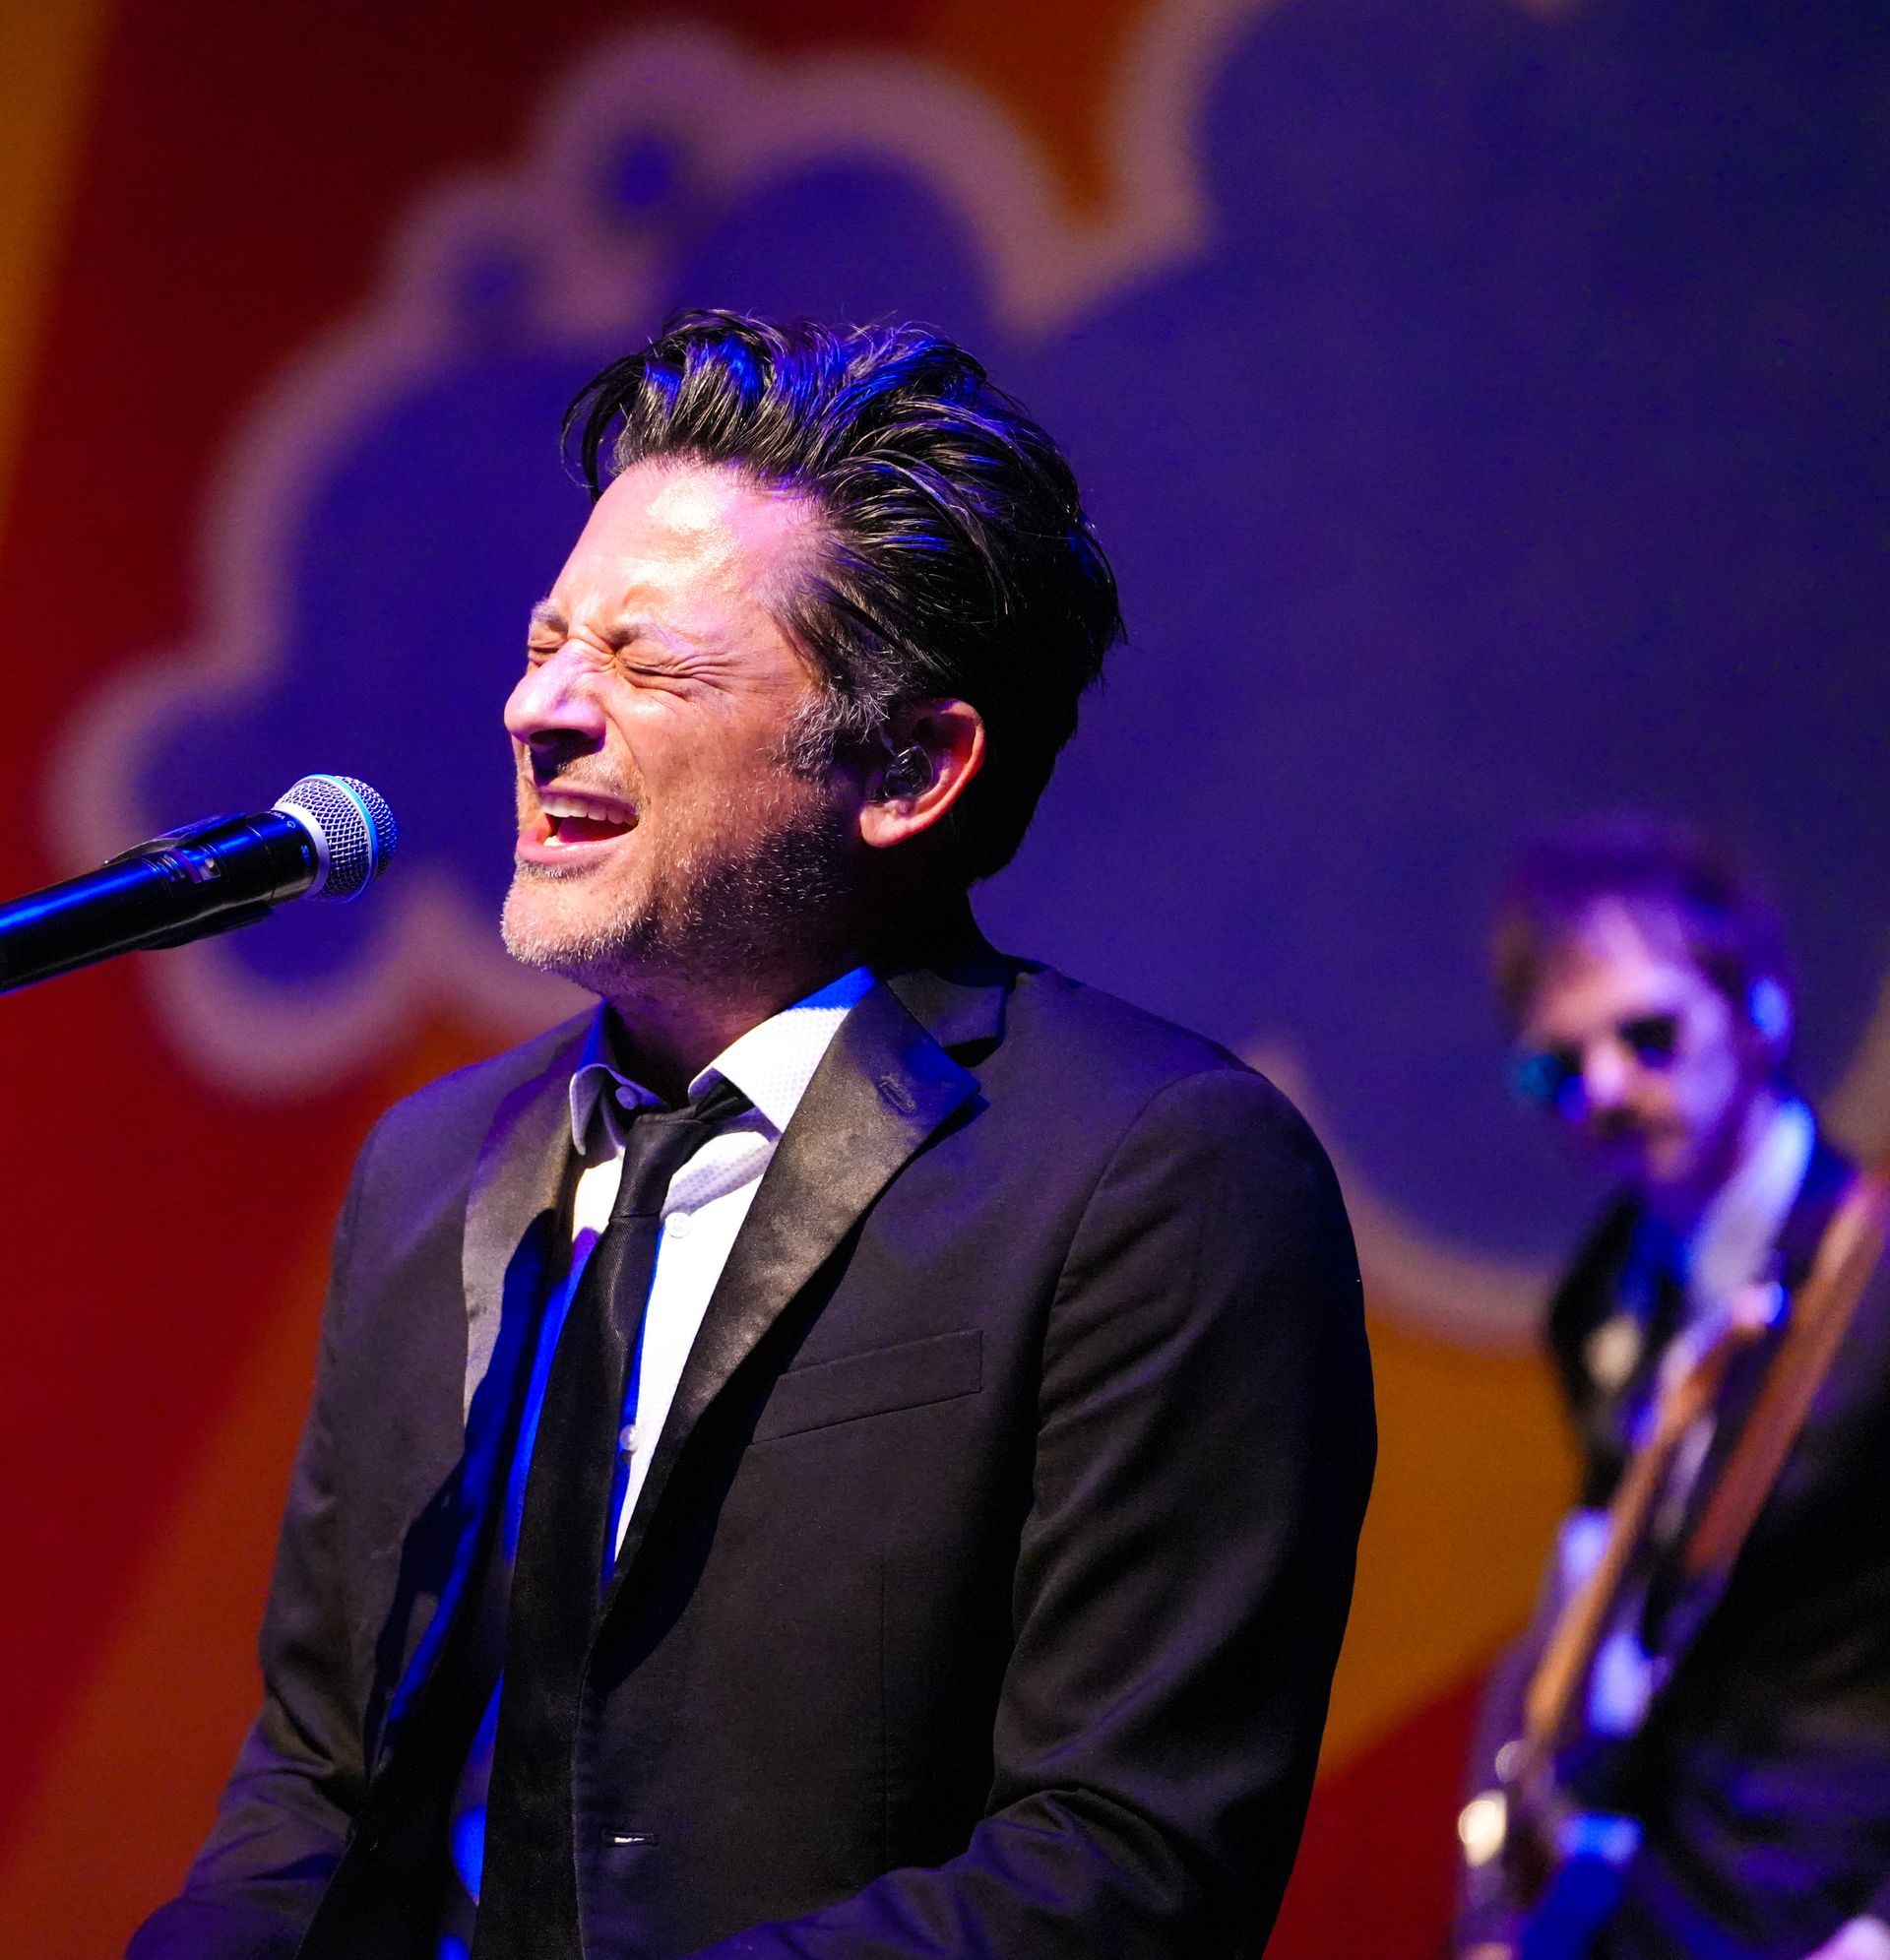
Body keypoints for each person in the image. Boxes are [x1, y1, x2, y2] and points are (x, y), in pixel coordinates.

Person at [129, 311, 1375, 1960]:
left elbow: (1123, 1866)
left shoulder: (1159, 1179)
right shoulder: (433, 1170)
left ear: (912, 767)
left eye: (645, 663)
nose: (537, 710)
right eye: (547, 639)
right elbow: (318, 1780)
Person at [1457, 819, 1890, 1960]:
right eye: (1557, 1065)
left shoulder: (1875, 1274)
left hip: (1834, 1906)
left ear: (1759, 1011)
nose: (1603, 1088)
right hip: (1660, 1895)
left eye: (1649, 1035)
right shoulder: (1594, 1298)